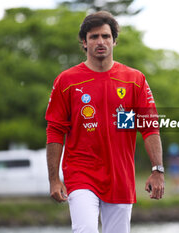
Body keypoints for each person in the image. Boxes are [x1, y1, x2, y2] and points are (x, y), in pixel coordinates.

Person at [45, 11, 164, 233]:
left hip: (120, 176)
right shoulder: (67, 81)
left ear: (114, 40)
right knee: (86, 230)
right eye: (94, 37)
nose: (100, 42)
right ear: (84, 42)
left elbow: (149, 128)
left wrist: (158, 170)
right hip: (81, 173)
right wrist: (53, 179)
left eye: (106, 36)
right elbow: (55, 130)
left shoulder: (134, 80)